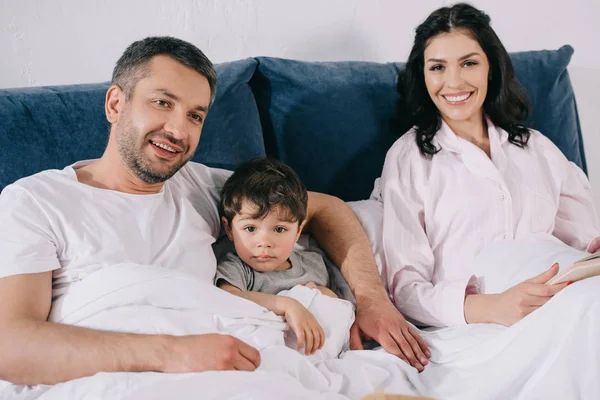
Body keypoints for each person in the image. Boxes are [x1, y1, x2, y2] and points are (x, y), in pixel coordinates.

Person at [0, 36, 429, 386]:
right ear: (116, 104)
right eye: (162, 103)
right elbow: (11, 345)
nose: (178, 131)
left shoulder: (201, 186)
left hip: (237, 364)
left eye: (196, 115)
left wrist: (372, 301)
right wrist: (175, 354)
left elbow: (327, 208)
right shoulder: (35, 201)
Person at [374, 3, 600, 328]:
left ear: (490, 68)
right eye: (437, 67)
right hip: (477, 328)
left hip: (561, 305)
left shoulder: (536, 148)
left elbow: (585, 242)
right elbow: (406, 288)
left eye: (468, 63)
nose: (453, 82)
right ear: (422, 75)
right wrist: (489, 308)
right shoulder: (409, 157)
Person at [216, 156, 346, 356]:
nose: (265, 242)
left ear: (298, 231)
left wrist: (322, 295)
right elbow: (227, 298)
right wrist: (287, 304)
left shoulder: (314, 263)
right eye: (250, 228)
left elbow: (341, 308)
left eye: (279, 229)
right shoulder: (236, 268)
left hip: (319, 352)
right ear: (229, 228)